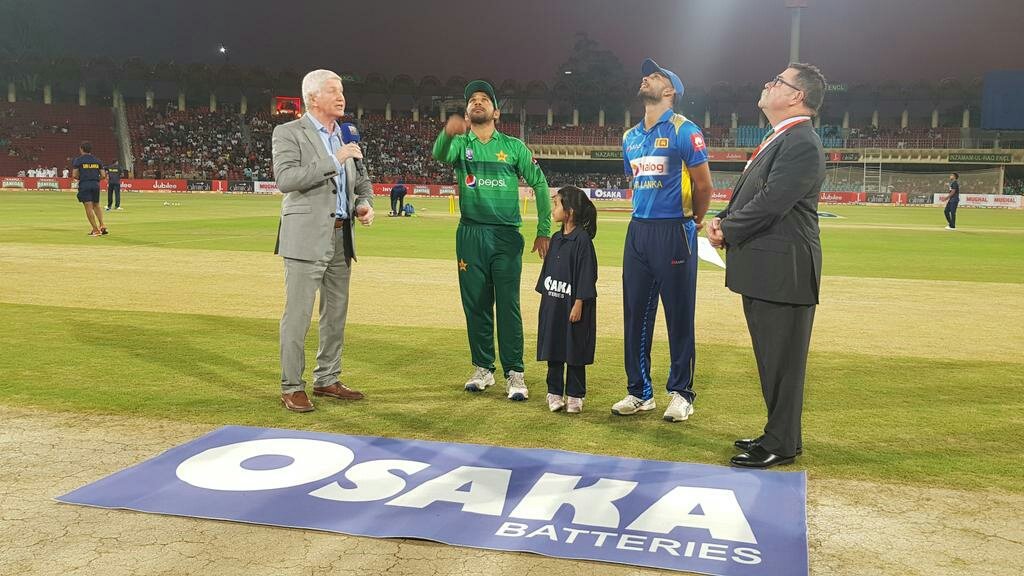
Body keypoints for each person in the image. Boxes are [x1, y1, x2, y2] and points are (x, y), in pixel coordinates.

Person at [707, 62, 828, 468]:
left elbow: (772, 202)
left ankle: (781, 443)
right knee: (773, 360)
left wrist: (727, 229)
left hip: (784, 272)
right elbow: (753, 195)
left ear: (796, 96)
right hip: (769, 270)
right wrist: (723, 219)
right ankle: (779, 434)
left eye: (777, 81)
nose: (767, 83)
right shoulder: (782, 138)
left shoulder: (800, 142)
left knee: (782, 364)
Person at [432, 80, 552, 401]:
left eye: (484, 99)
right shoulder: (460, 144)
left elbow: (540, 184)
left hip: (506, 236)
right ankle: (483, 368)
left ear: (496, 112)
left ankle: (515, 372)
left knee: (508, 305)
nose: (477, 102)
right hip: (471, 234)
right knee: (476, 305)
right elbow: (440, 153)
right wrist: (447, 132)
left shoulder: (513, 147)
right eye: (472, 99)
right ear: (467, 113)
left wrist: (543, 229)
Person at [613, 58, 713, 421]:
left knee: (679, 315)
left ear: (669, 91)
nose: (646, 78)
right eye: (645, 74)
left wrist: (694, 220)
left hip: (675, 229)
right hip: (638, 230)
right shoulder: (630, 137)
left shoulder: (685, 130)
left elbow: (704, 185)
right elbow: (636, 180)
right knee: (635, 314)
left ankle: (681, 393)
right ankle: (640, 392)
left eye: (654, 76)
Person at [272, 69, 375, 413]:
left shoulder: (346, 134)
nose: (341, 96)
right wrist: (334, 160)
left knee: (335, 315)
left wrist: (363, 205)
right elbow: (286, 179)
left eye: (342, 90)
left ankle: (327, 378)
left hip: (342, 236)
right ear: (313, 97)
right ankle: (291, 386)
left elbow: (362, 183)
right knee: (298, 315)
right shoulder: (289, 132)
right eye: (333, 90)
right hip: (305, 237)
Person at [536, 186, 598, 414]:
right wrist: (546, 303)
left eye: (556, 204)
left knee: (575, 349)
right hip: (554, 303)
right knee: (553, 347)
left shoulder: (582, 240)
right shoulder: (555, 238)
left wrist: (579, 302)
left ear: (569, 211)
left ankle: (575, 394)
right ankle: (554, 392)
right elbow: (547, 273)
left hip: (574, 305)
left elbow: (587, 274)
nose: (553, 209)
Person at [72, 141, 107, 237]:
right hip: (95, 184)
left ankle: (95, 230)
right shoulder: (97, 160)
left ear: (81, 149)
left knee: (88, 207)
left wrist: (84, 178)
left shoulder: (78, 160)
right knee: (96, 205)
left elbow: (75, 175)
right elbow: (103, 175)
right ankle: (102, 225)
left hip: (85, 184)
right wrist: (95, 179)